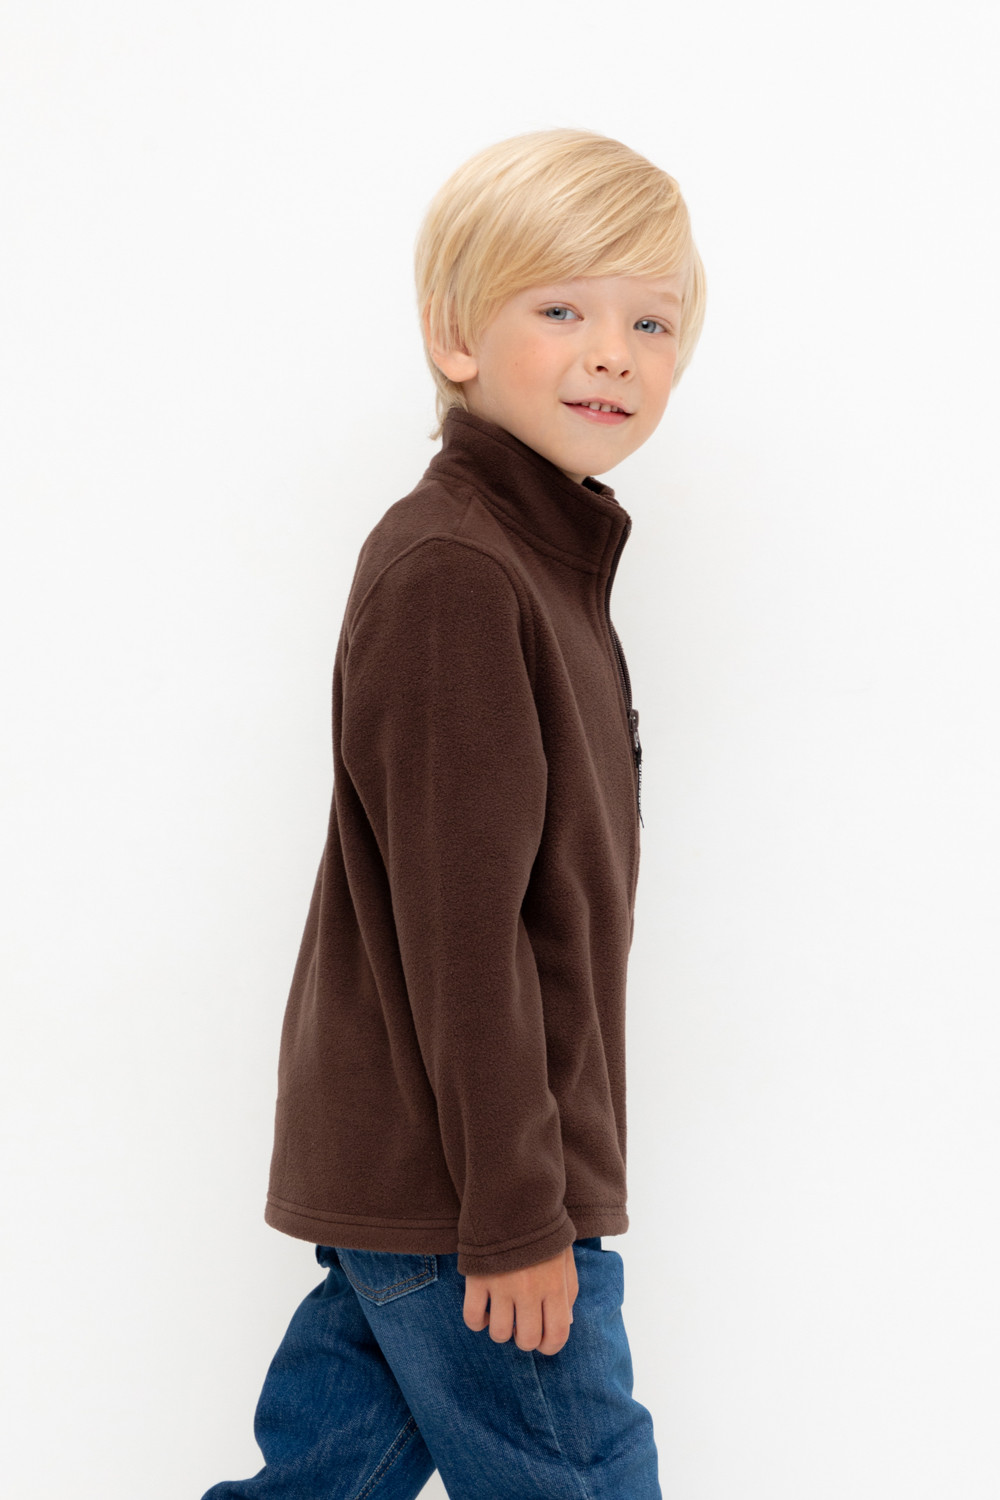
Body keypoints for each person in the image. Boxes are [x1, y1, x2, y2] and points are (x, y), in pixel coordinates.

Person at [201, 126, 706, 1500]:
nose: (614, 354)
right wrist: (517, 1215)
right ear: (456, 336)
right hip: (470, 1190)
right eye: (562, 309)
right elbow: (464, 936)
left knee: (325, 1479)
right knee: (584, 1476)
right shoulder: (458, 575)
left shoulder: (536, 564)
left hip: (443, 1178)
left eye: (652, 321)